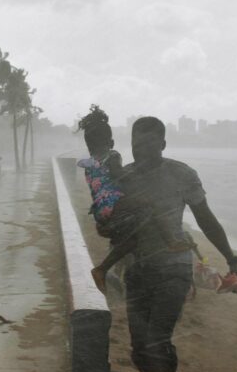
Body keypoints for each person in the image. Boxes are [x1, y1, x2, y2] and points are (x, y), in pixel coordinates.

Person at [120, 116, 237, 372]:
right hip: (137, 269)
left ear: (163, 144)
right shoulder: (125, 178)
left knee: (157, 340)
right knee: (138, 347)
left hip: (174, 269)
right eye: (137, 144)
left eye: (149, 144)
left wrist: (232, 260)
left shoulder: (181, 174)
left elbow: (206, 219)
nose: (142, 150)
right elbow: (116, 228)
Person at [76, 106, 191, 292]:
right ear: (111, 141)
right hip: (114, 204)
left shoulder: (88, 163)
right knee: (152, 204)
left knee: (132, 239)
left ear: (88, 145)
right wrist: (135, 176)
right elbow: (119, 176)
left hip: (100, 210)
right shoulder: (112, 156)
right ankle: (171, 241)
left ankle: (102, 269)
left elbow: (101, 180)